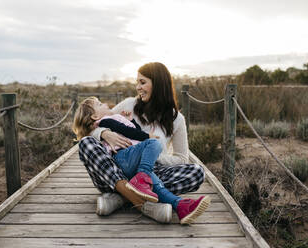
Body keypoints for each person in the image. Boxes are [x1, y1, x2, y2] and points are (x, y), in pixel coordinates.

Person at [76, 62, 209, 224]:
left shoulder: (177, 119)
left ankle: (120, 199)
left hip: (150, 174)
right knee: (86, 143)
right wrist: (104, 134)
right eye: (137, 82)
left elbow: (182, 158)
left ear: (158, 84)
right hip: (114, 172)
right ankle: (143, 204)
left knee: (196, 172)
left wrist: (151, 156)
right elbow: (92, 124)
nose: (138, 87)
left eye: (143, 82)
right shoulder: (129, 104)